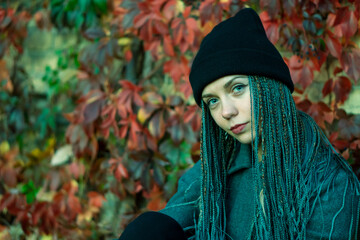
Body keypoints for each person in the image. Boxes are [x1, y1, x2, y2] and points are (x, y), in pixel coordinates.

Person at [119, 7, 360, 240]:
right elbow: (168, 222)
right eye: (212, 101)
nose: (226, 111)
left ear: (269, 85)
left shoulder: (329, 182)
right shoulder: (218, 165)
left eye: (237, 88)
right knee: (148, 228)